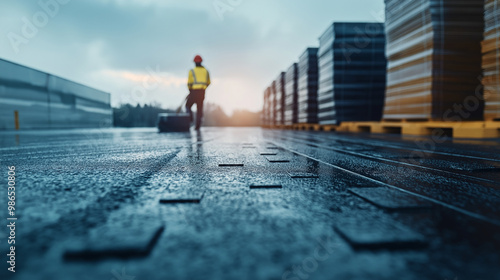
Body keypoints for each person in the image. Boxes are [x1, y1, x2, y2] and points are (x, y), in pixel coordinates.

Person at [186, 55, 211, 130]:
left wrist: (190, 91)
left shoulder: (192, 71)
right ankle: (198, 126)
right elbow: (208, 82)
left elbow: (189, 83)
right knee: (199, 108)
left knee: (188, 105)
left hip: (193, 92)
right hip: (202, 92)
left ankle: (190, 119)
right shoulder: (206, 71)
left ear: (194, 62)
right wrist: (203, 88)